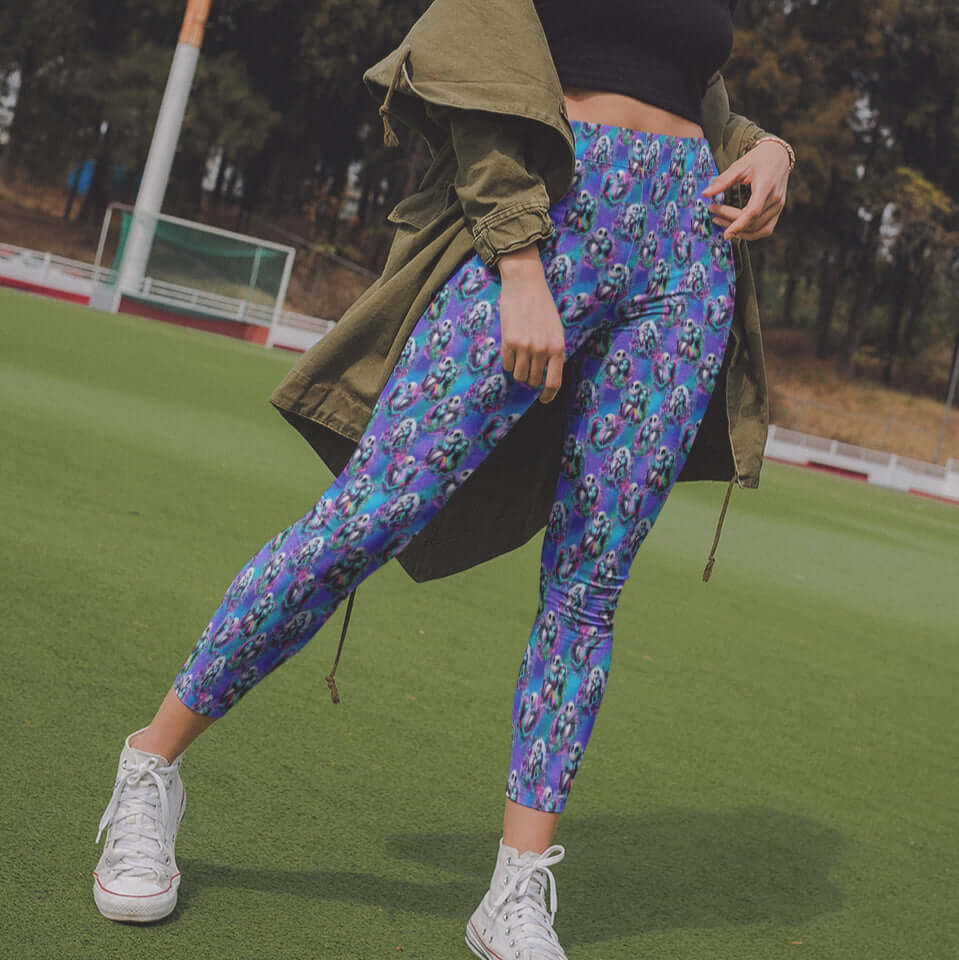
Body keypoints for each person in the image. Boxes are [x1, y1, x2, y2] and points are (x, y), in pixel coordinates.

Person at [92, 1, 794, 956]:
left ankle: (515, 890)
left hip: (685, 255)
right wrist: (517, 260)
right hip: (552, 214)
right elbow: (470, 61)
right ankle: (149, 765)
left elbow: (686, 86)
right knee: (365, 518)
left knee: (588, 590)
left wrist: (767, 147)